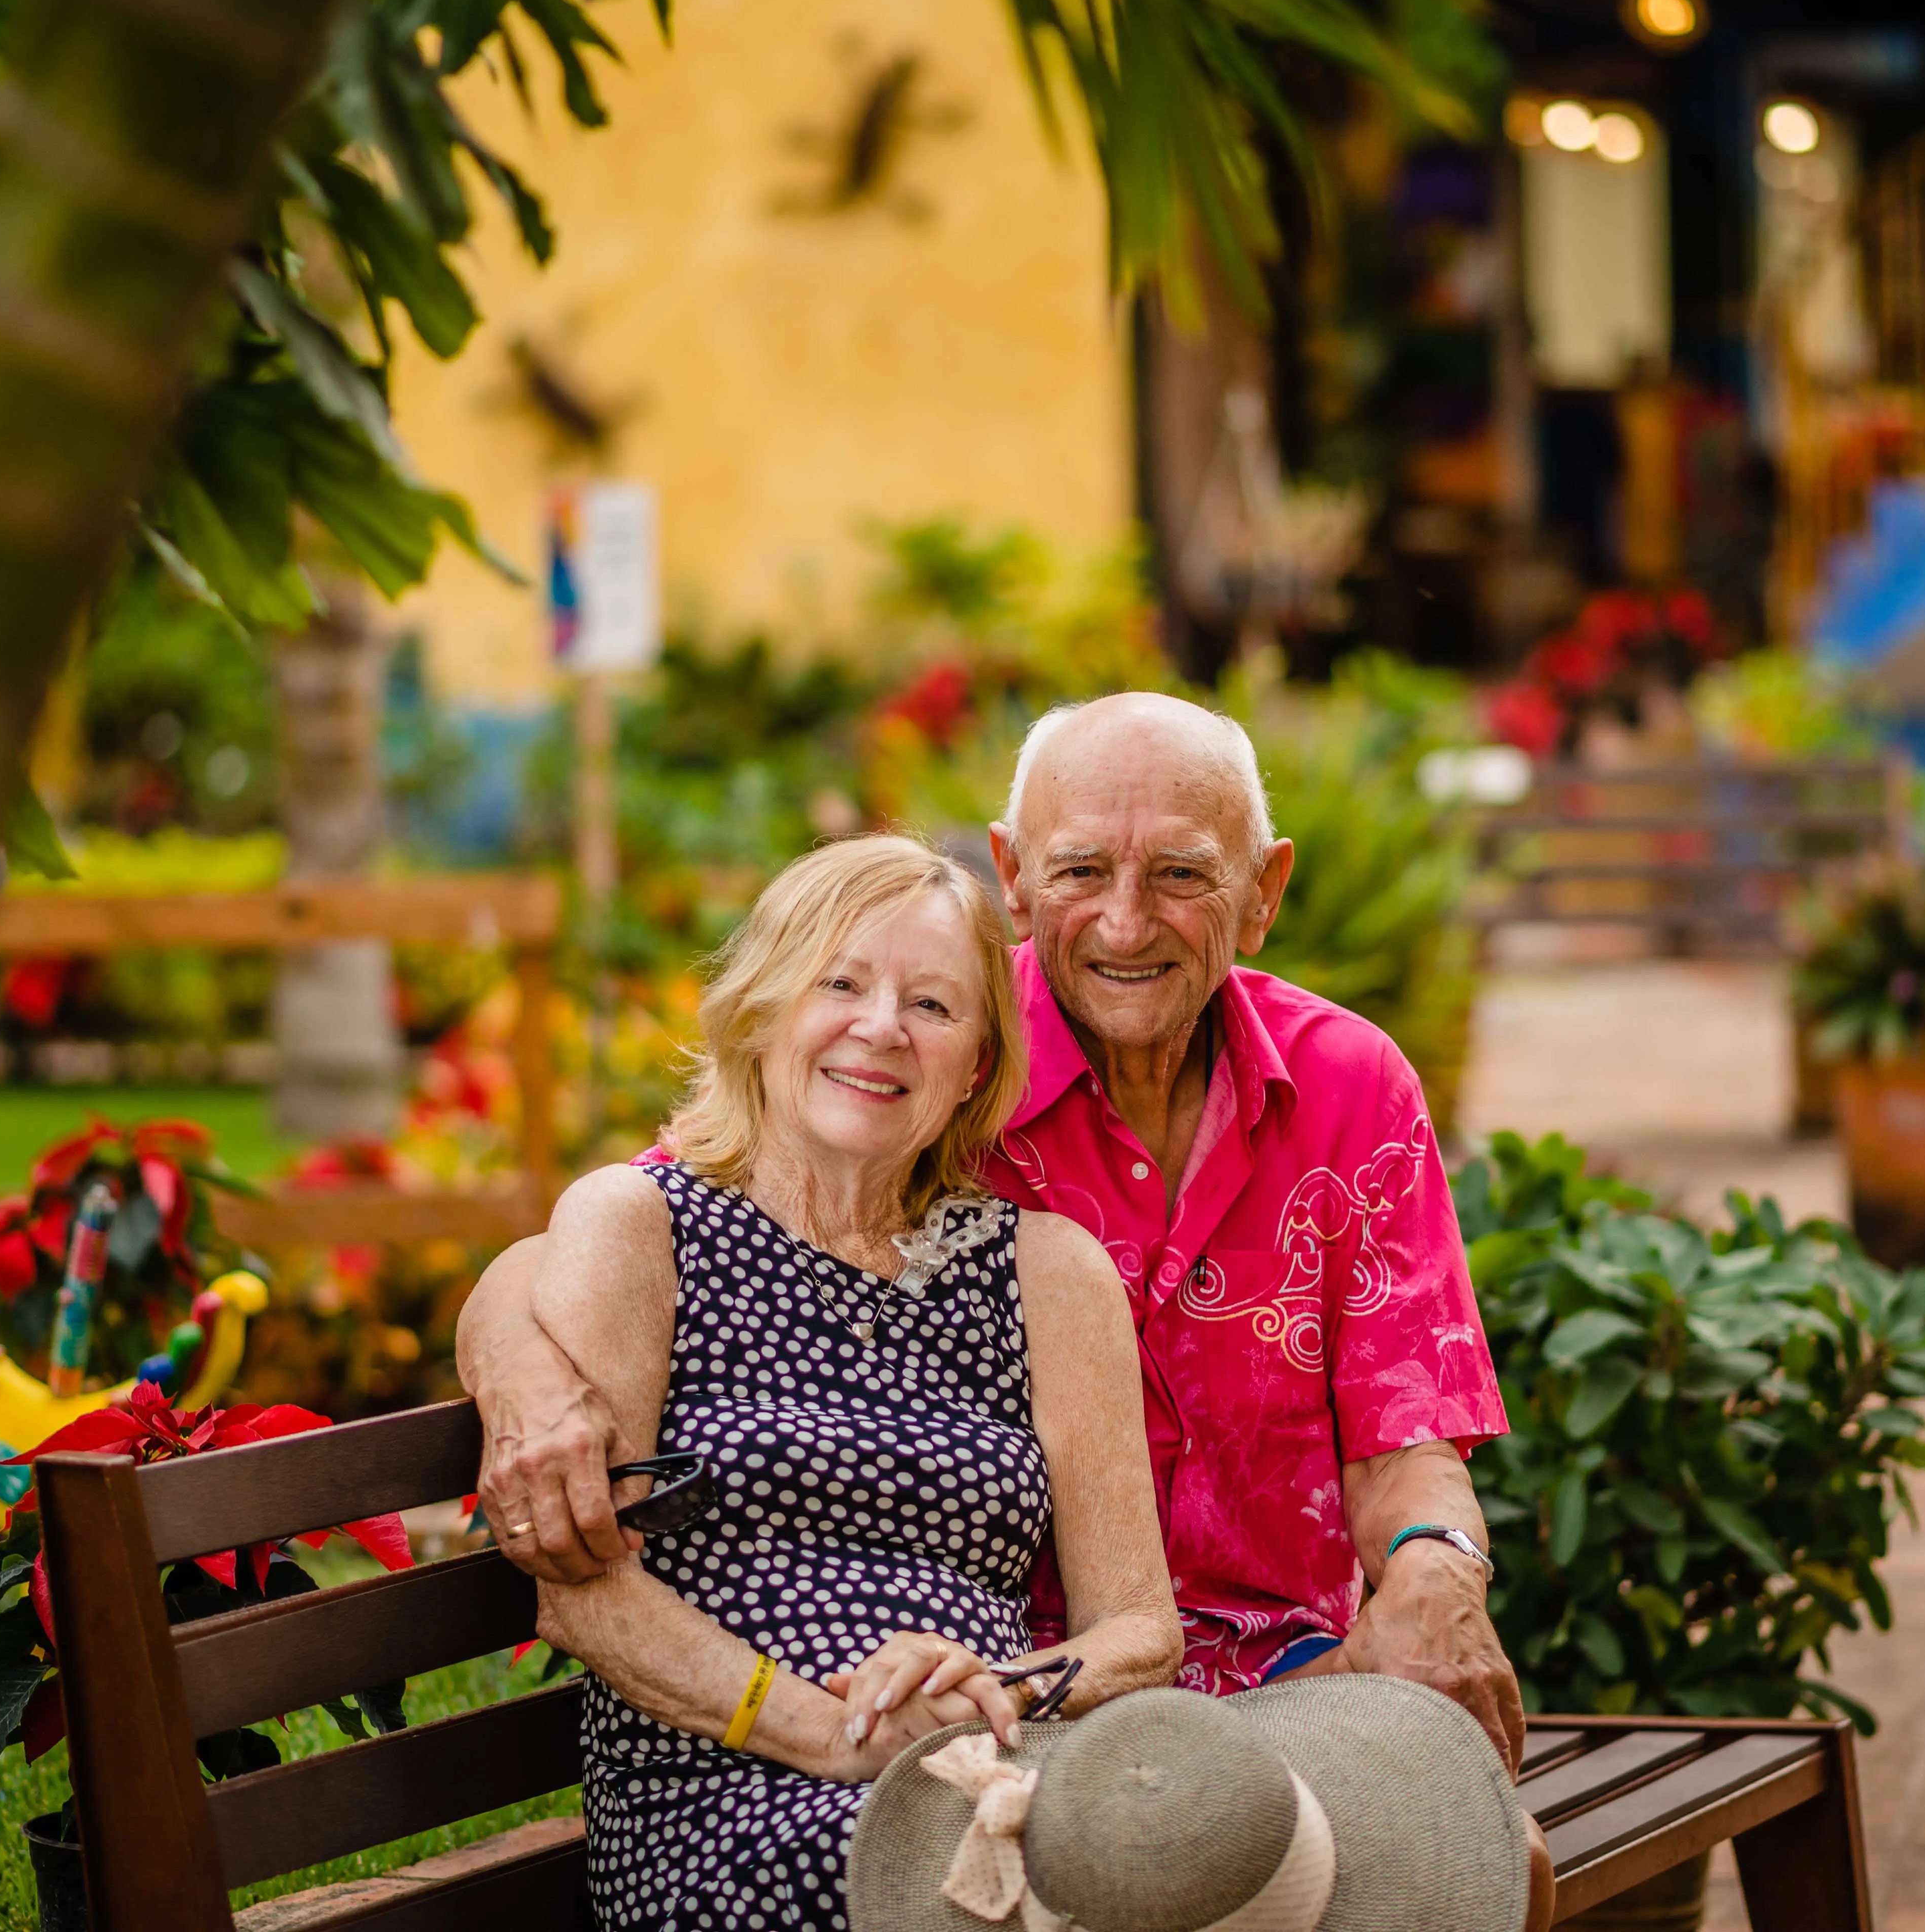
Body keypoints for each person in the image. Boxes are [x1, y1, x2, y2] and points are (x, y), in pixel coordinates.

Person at [465, 692, 1543, 1897]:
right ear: (1015, 874)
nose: (1127, 920)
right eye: (1082, 867)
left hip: (1281, 1683)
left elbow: (1407, 1426)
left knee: (1486, 1866)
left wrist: (1438, 1571)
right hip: (1007, 1724)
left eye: (1183, 873)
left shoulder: (1345, 1085)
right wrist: (522, 1371)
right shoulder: (917, 1073)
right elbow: (645, 1220)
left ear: (1264, 888)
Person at [512, 834, 1182, 1931]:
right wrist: (837, 1736)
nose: (882, 1027)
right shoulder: (643, 1224)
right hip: (728, 1802)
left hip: (988, 1770)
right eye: (841, 983)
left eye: (932, 1003)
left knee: (1188, 1853)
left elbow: (1139, 1629)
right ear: (766, 1005)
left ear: (975, 1061)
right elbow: (586, 1593)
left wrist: (989, 1689)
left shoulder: (1046, 1269)